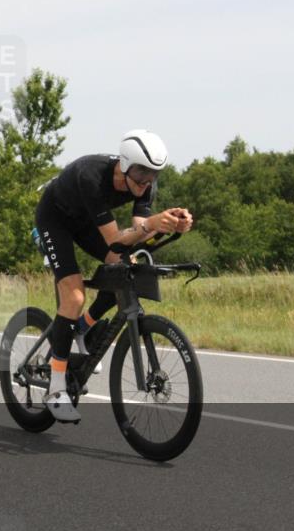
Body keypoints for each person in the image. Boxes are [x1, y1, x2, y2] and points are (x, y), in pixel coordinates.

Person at [34, 130, 193, 422]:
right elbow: (115, 240)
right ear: (124, 165)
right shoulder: (92, 177)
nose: (146, 182)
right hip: (55, 219)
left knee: (125, 270)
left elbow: (136, 236)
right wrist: (151, 225)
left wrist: (168, 225)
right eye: (141, 174)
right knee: (75, 293)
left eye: (152, 176)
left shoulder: (145, 185)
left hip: (86, 224)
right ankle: (56, 389)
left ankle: (82, 328)